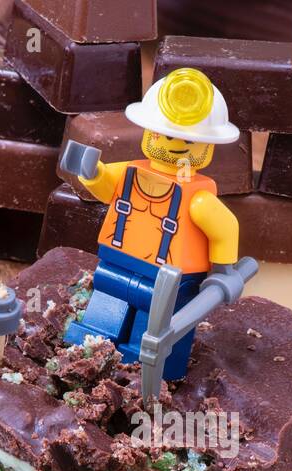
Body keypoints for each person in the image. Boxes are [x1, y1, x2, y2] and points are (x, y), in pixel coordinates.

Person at [60, 68, 241, 381]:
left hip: (170, 280)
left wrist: (224, 270)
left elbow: (225, 227)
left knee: (154, 327)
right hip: (116, 262)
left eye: (188, 139)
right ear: (148, 132)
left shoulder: (198, 198)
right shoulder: (130, 172)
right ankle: (91, 352)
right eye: (167, 135)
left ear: (207, 145)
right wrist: (92, 172)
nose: (176, 144)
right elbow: (106, 187)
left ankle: (146, 373)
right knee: (105, 310)